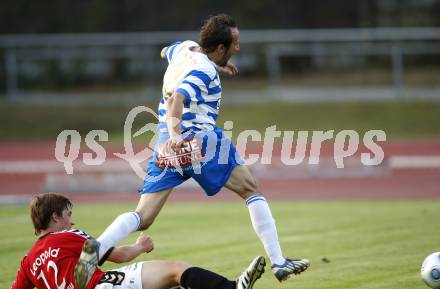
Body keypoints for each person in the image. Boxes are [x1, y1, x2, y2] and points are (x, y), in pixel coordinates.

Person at [93, 13, 309, 284]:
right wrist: (176, 134)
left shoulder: (184, 49)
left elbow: (164, 52)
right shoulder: (203, 70)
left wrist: (217, 68)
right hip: (198, 141)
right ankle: (279, 262)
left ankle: (97, 248)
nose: (238, 48)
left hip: (165, 146)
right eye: (235, 43)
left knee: (143, 216)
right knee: (251, 190)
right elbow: (178, 100)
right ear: (221, 48)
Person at [10, 193, 266, 289]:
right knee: (176, 271)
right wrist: (141, 247)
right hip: (98, 286)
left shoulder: (28, 261)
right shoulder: (70, 237)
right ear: (55, 216)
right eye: (68, 214)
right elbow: (117, 256)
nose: (72, 221)